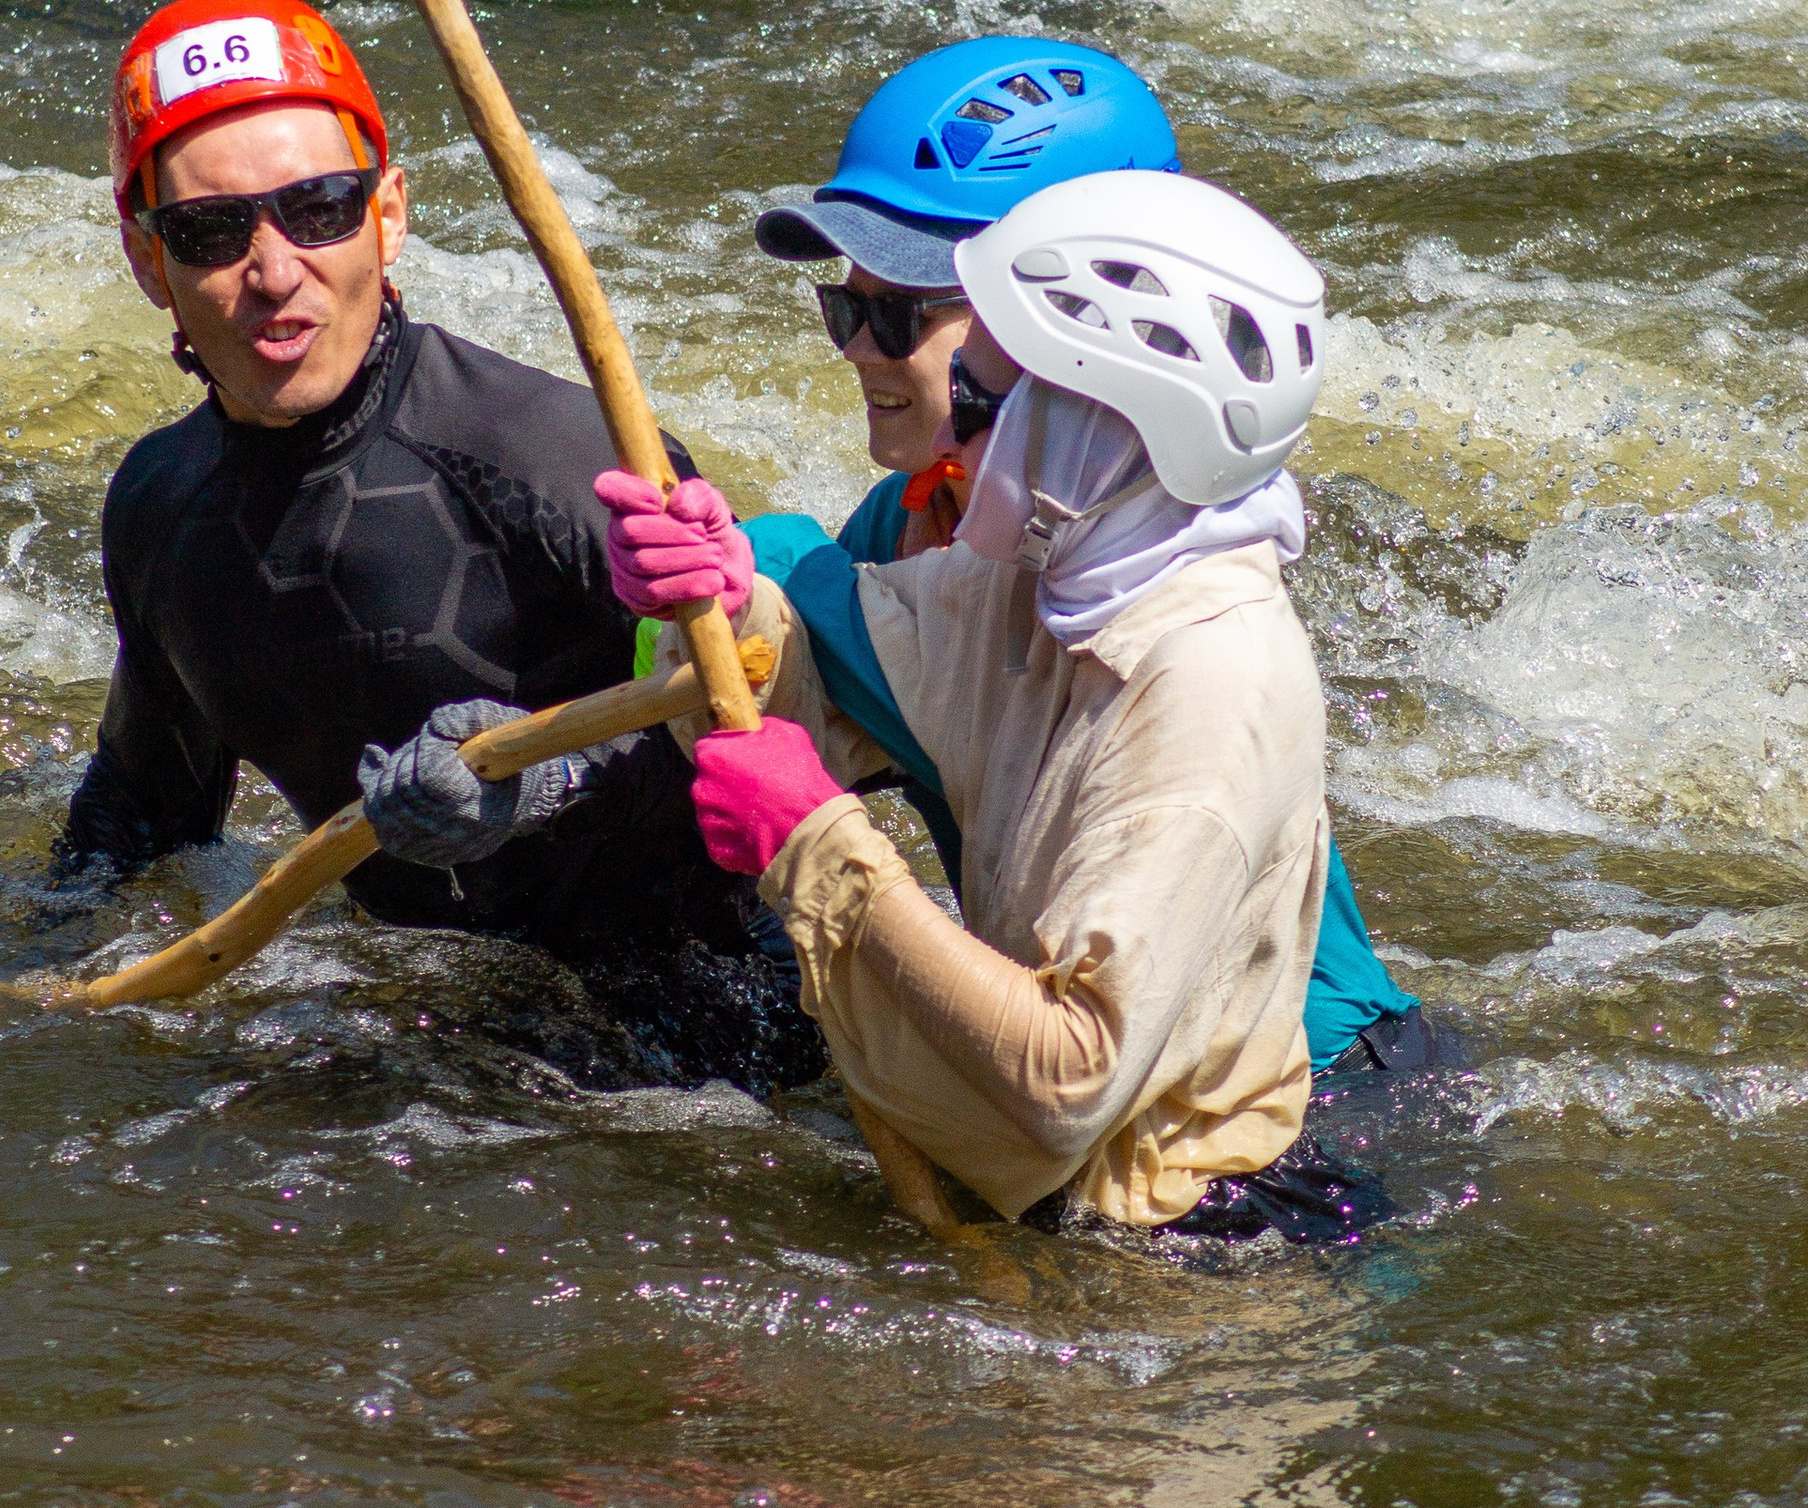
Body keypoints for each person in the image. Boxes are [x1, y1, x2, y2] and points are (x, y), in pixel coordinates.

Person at [597, 169, 1401, 1242]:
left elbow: (1068, 1079)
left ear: (1098, 423)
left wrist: (820, 847)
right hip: (1053, 1216)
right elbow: (814, 691)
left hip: (1188, 1258)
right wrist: (718, 601)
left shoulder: (1212, 680)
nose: (951, 442)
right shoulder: (1051, 582)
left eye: (976, 404)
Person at [53, 0, 815, 1082]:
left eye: (317, 207)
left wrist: (535, 781)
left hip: (723, 1043)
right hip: (429, 1056)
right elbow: (144, 808)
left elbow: (762, 710)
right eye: (212, 231)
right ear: (145, 261)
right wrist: (30, 970)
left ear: (390, 212)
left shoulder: (562, 455)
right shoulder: (160, 506)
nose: (273, 271)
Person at [743, 34, 1422, 1090]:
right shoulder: (905, 521)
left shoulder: (1160, 571)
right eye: (844, 305)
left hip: (1307, 1087)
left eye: (898, 315)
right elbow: (778, 733)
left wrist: (763, 560)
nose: (858, 350)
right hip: (1091, 1059)